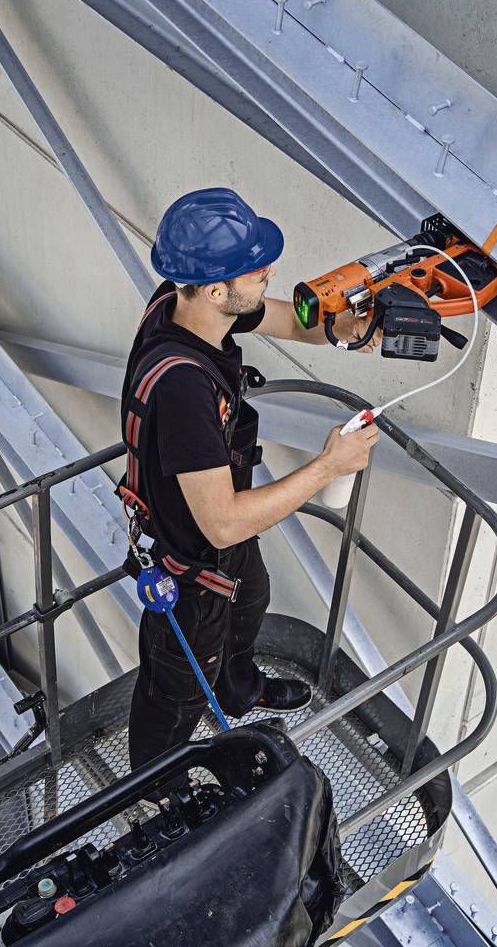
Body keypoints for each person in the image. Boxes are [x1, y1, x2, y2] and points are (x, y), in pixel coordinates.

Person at [119, 187, 381, 769]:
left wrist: (355, 332)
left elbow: (290, 319)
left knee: (251, 603)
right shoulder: (184, 390)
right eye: (256, 269)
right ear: (217, 289)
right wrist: (328, 467)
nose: (269, 273)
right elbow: (221, 523)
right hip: (191, 569)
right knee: (176, 693)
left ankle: (240, 691)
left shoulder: (182, 301)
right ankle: (151, 791)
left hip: (228, 557)